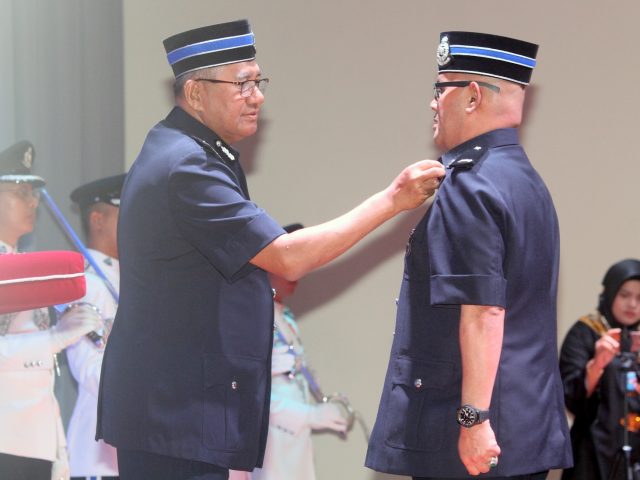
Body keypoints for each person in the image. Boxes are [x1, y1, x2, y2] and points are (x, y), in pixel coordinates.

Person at [96, 19, 445, 480]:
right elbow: (288, 257)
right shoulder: (187, 166)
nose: (257, 96)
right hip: (174, 414)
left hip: (179, 409)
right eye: (242, 84)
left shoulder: (192, 150)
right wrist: (393, 200)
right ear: (196, 92)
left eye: (258, 82)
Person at [365, 31, 573, 479]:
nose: (433, 103)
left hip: (472, 440)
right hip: (524, 426)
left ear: (473, 96)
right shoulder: (525, 181)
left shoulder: (469, 184)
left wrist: (473, 419)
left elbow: (483, 311)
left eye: (441, 89)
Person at [0, 140, 102, 480]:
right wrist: (56, 337)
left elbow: (43, 374)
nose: (32, 202)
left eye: (32, 193)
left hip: (35, 442)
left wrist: (58, 447)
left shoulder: (29, 268)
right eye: (20, 192)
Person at [230, 223, 350, 480]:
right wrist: (309, 416)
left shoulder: (284, 316)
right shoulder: (252, 317)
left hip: (293, 444)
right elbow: (249, 392)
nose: (298, 271)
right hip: (271, 445)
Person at [66, 174, 126, 480]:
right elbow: (90, 370)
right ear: (97, 219)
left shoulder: (130, 279)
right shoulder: (87, 283)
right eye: (124, 212)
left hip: (131, 450)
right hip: (99, 455)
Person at [560, 259, 640, 480]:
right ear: (609, 293)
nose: (632, 304)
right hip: (592, 451)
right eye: (624, 295)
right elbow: (569, 396)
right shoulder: (585, 332)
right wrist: (597, 365)